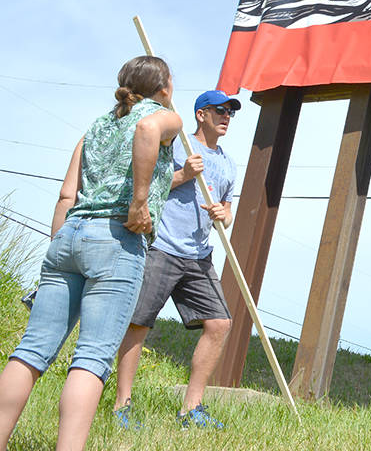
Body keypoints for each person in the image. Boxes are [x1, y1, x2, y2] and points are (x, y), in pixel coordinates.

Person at [0, 56, 181, 451]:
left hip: (69, 235)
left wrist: (57, 253)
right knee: (92, 357)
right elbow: (148, 128)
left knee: (30, 350)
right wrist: (138, 202)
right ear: (164, 87)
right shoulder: (165, 117)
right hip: (116, 242)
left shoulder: (96, 126)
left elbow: (67, 194)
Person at [112, 89, 240, 429]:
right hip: (163, 246)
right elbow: (147, 185)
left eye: (230, 112)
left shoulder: (228, 163)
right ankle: (121, 405)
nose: (227, 116)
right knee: (139, 323)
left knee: (220, 324)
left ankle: (190, 409)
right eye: (220, 110)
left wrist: (222, 214)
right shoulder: (180, 143)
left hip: (199, 255)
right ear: (201, 114)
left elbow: (228, 211)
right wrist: (183, 174)